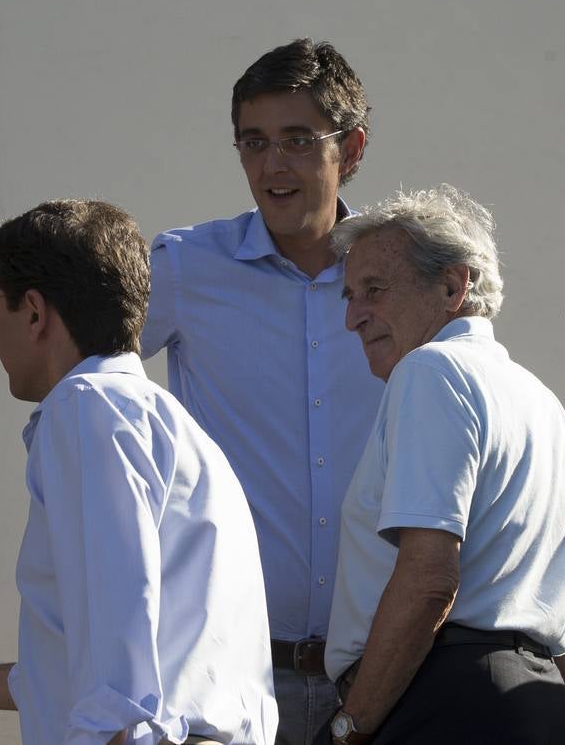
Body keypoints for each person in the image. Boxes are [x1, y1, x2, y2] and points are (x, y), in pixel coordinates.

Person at [0, 199, 276, 745]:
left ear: (34, 312)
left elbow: (116, 664)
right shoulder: (163, 419)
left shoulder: (85, 408)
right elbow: (100, 658)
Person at [141, 39, 385, 744]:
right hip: (228, 674)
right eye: (254, 142)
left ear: (354, 148)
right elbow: (91, 387)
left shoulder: (403, 275)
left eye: (298, 141)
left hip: (379, 676)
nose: (273, 164)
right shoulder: (185, 267)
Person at [321, 185, 565, 744]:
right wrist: (515, 699)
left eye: (373, 290)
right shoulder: (543, 400)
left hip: (437, 698)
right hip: (531, 702)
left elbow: (429, 578)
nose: (353, 317)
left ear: (453, 285)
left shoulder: (431, 370)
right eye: (349, 296)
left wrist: (351, 726)